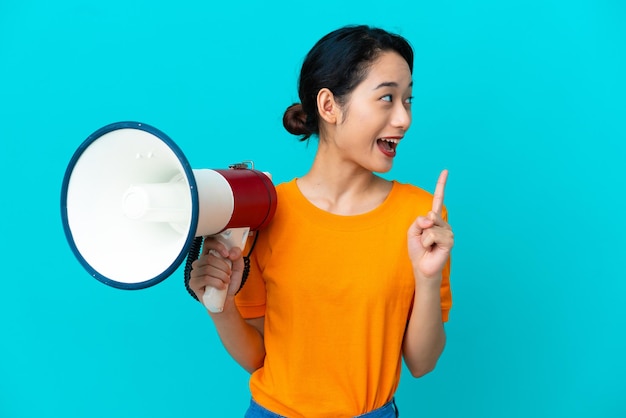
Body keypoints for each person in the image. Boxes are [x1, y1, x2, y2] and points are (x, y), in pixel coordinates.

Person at [188, 24, 454, 418]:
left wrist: (427, 279)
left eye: (408, 100)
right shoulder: (266, 209)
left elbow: (422, 363)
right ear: (329, 106)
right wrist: (220, 305)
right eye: (387, 98)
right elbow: (260, 356)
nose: (404, 119)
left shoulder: (420, 217)